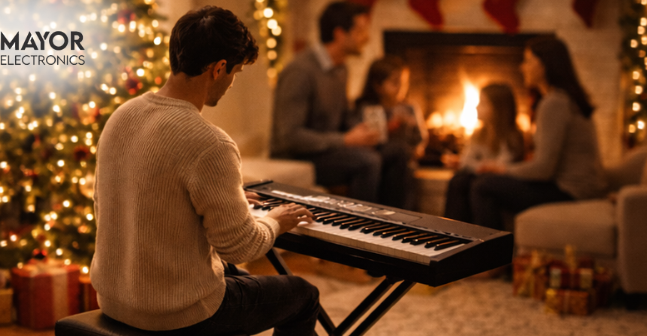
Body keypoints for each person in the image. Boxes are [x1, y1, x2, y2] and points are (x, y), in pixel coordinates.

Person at [91, 6, 319, 336]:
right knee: (302, 294)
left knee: (238, 278)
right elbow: (240, 247)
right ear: (218, 68)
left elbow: (141, 194)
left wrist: (226, 198)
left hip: (114, 299)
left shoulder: (122, 116)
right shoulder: (210, 142)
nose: (230, 83)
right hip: (175, 315)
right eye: (235, 72)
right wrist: (276, 220)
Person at [468, 36, 607, 230]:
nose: (522, 67)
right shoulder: (563, 99)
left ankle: (492, 257)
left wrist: (502, 169)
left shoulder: (554, 103)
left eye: (527, 61)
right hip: (575, 187)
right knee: (473, 181)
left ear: (544, 65)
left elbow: (543, 169)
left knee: (483, 187)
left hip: (570, 191)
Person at [272, 2, 394, 205]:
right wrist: (345, 140)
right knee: (367, 162)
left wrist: (365, 130)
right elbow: (289, 137)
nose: (367, 38)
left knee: (395, 151)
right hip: (297, 156)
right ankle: (359, 227)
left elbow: (343, 118)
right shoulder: (300, 72)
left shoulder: (341, 69)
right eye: (360, 31)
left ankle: (397, 225)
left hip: (328, 150)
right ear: (339, 34)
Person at [441, 83, 525, 223]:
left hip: (503, 181)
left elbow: (501, 166)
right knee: (458, 180)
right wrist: (479, 166)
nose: (476, 107)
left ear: (499, 109)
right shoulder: (478, 134)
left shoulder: (512, 137)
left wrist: (477, 166)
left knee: (474, 182)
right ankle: (451, 229)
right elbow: (467, 161)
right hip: (482, 176)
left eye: (483, 103)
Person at [350, 56, 426, 208]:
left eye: (404, 83)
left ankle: (398, 215)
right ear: (378, 86)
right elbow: (367, 139)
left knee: (404, 165)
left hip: (403, 161)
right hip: (376, 156)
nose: (401, 88)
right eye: (395, 83)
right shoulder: (367, 109)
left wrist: (416, 148)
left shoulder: (409, 108)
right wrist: (392, 125)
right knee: (398, 155)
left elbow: (420, 140)